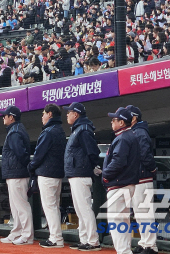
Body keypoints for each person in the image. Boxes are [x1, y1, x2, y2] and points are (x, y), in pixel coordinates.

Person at [64, 102, 102, 251]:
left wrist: (93, 166)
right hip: (76, 173)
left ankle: (93, 241)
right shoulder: (78, 129)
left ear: (76, 114)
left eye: (69, 112)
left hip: (81, 173)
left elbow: (93, 151)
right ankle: (84, 239)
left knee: (85, 209)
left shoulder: (84, 129)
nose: (67, 114)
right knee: (80, 210)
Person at [28, 103, 66, 248]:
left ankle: (55, 238)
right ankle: (56, 237)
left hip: (47, 173)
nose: (42, 116)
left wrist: (31, 167)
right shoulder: (60, 130)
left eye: (44, 113)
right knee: (54, 206)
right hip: (56, 174)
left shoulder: (49, 131)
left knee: (50, 207)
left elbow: (38, 155)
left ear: (50, 114)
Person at [102, 107, 140, 254]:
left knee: (116, 222)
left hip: (119, 184)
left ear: (122, 122)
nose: (112, 122)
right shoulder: (130, 135)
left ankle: (123, 252)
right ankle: (126, 251)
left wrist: (105, 175)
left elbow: (119, 161)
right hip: (127, 183)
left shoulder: (123, 137)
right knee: (123, 221)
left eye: (114, 120)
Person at [0, 105, 33, 246]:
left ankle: (27, 236)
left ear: (11, 117)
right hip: (15, 173)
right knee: (15, 205)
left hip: (18, 173)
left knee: (21, 205)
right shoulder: (15, 130)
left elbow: (21, 154)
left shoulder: (15, 132)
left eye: (5, 116)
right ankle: (17, 232)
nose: (3, 118)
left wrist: (21, 168)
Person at [127, 105, 158, 254]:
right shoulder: (133, 131)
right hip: (136, 178)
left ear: (134, 118)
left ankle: (151, 246)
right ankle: (144, 242)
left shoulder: (139, 132)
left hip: (144, 177)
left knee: (145, 213)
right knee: (139, 214)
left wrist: (152, 169)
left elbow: (146, 154)